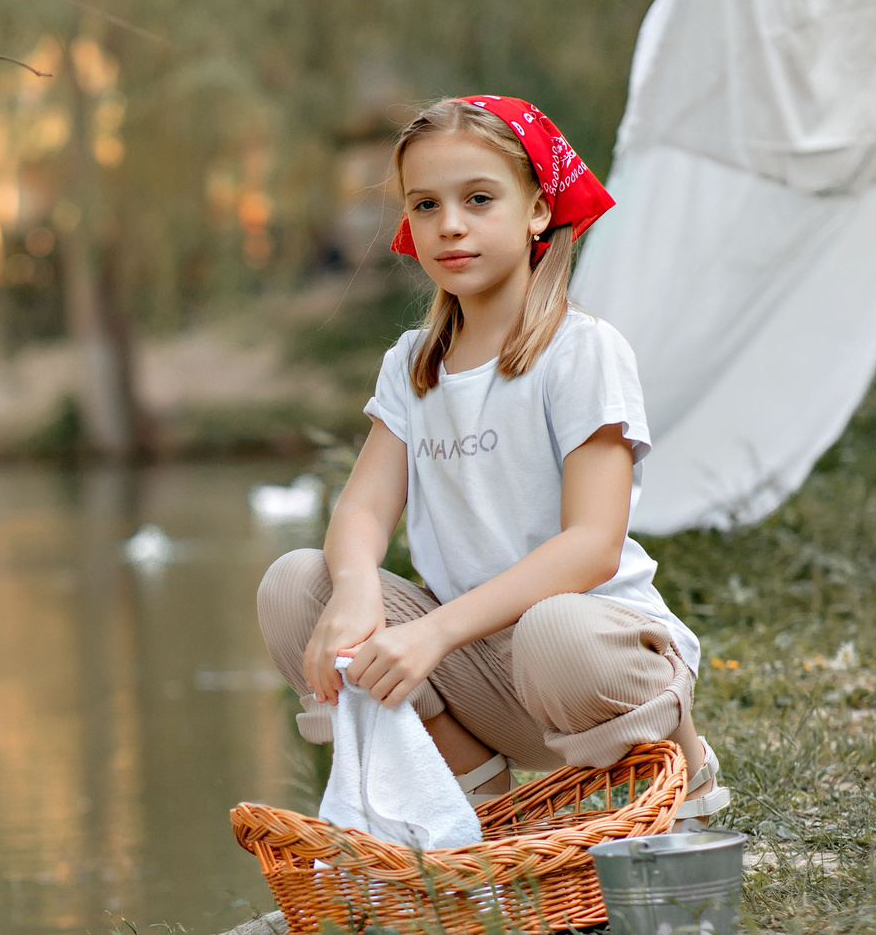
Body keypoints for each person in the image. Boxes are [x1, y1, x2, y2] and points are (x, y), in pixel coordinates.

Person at [258, 94, 726, 819]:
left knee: (552, 631)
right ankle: (477, 804)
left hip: (592, 660)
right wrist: (355, 590)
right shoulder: (415, 363)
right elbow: (363, 505)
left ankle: (678, 768)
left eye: (478, 198)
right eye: (424, 205)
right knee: (296, 586)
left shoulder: (581, 351)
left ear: (538, 209)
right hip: (476, 671)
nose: (449, 225)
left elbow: (593, 547)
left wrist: (432, 630)